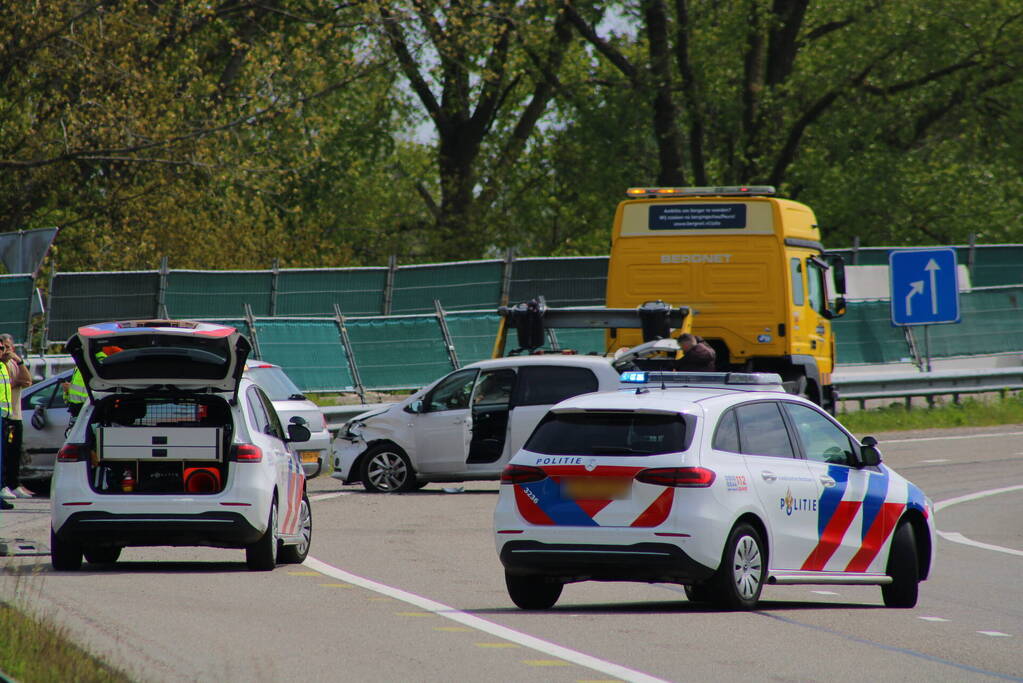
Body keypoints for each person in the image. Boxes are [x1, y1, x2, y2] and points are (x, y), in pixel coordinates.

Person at [0, 333, 33, 501]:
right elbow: (13, 383)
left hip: (14, 414)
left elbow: (27, 380)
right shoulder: (2, 365)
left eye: (8, 347)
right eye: (2, 347)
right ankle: (4, 485)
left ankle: (14, 484)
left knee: (14, 453)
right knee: (4, 454)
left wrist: (19, 361)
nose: (5, 351)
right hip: (5, 415)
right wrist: (17, 382)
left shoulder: (12, 363)